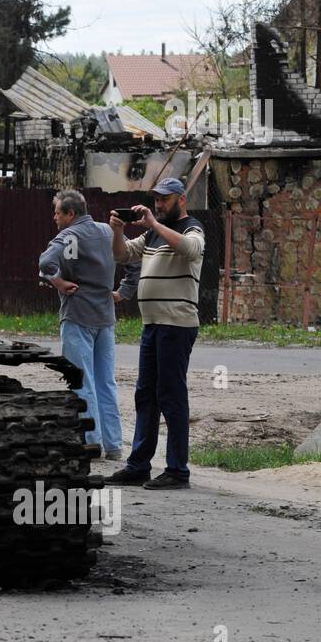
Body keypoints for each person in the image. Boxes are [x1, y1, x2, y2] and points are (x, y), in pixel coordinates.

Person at [107, 177, 205, 490]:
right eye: (156, 200)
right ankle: (138, 465)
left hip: (177, 324)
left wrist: (153, 223)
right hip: (152, 324)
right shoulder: (151, 233)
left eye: (164, 200)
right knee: (145, 395)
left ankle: (178, 470)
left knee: (171, 396)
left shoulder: (192, 227)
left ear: (181, 200)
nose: (159, 205)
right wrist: (118, 230)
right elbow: (122, 256)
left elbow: (191, 249)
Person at [38, 189, 123, 460]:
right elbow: (132, 259)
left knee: (80, 380)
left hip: (78, 315)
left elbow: (46, 262)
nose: (54, 217)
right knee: (106, 382)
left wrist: (59, 282)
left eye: (57, 212)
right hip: (105, 317)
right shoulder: (108, 232)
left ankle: (90, 442)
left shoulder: (69, 235)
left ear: (71, 213)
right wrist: (124, 291)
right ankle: (114, 445)